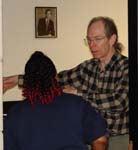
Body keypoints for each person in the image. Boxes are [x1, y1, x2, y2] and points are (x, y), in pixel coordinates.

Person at [3, 16, 129, 150]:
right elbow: (55, 79)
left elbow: (119, 102)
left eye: (97, 39)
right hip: (89, 136)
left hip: (116, 139)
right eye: (89, 40)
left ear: (112, 39)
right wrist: (19, 79)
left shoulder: (126, 67)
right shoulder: (87, 67)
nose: (92, 45)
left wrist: (79, 93)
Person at [3, 51, 108, 150]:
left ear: (27, 82)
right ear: (56, 77)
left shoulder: (15, 113)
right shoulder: (77, 104)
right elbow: (100, 140)